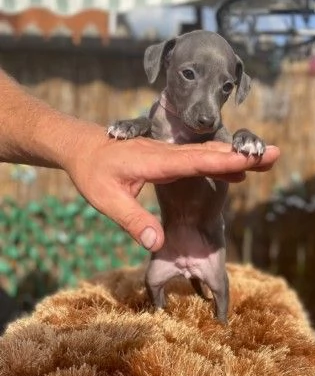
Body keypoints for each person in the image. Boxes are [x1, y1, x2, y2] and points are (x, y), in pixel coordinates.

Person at [0, 69, 280, 251]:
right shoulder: (158, 113)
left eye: (226, 87)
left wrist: (77, 143)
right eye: (189, 74)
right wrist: (78, 144)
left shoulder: (215, 128)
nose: (207, 113)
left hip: (207, 240)